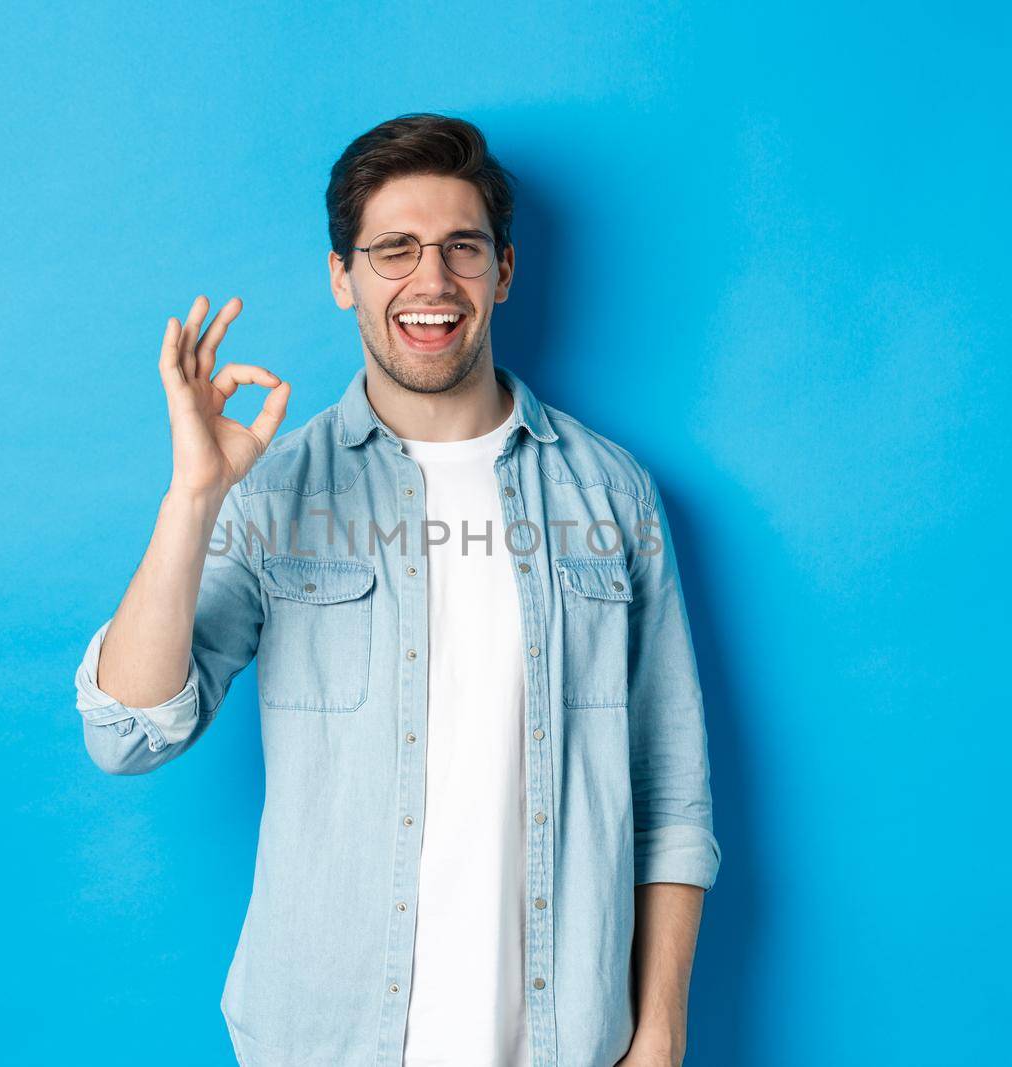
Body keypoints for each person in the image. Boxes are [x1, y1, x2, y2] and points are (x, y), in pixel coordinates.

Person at [73, 113, 721, 1067]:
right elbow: (124, 733)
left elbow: (670, 793)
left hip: (561, 1043)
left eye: (462, 249)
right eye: (393, 250)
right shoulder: (273, 494)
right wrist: (195, 497)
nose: (431, 282)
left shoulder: (611, 495)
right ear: (343, 277)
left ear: (503, 272)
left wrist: (659, 1033)